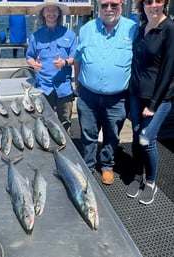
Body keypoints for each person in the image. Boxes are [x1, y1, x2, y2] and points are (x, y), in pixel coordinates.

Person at [74, 0, 138, 184]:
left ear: (122, 5)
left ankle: (107, 165)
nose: (109, 9)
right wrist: (77, 82)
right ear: (98, 7)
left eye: (114, 4)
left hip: (117, 98)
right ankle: (88, 164)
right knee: (88, 133)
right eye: (104, 5)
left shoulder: (133, 29)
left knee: (112, 134)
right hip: (88, 95)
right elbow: (78, 58)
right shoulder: (86, 29)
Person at [126, 0, 174, 204]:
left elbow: (169, 70)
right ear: (142, 4)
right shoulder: (140, 27)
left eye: (158, 1)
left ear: (165, 3)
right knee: (137, 136)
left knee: (147, 139)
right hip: (136, 94)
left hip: (159, 98)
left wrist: (153, 104)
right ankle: (138, 175)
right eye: (148, 1)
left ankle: (151, 182)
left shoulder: (169, 29)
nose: (153, 5)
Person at [26, 0, 77, 134]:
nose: (51, 13)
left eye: (54, 10)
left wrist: (64, 63)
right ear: (43, 14)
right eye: (47, 10)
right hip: (43, 87)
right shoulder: (35, 36)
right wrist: (34, 65)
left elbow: (75, 58)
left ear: (59, 13)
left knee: (65, 123)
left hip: (64, 88)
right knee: (42, 122)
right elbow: (29, 57)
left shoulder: (70, 34)